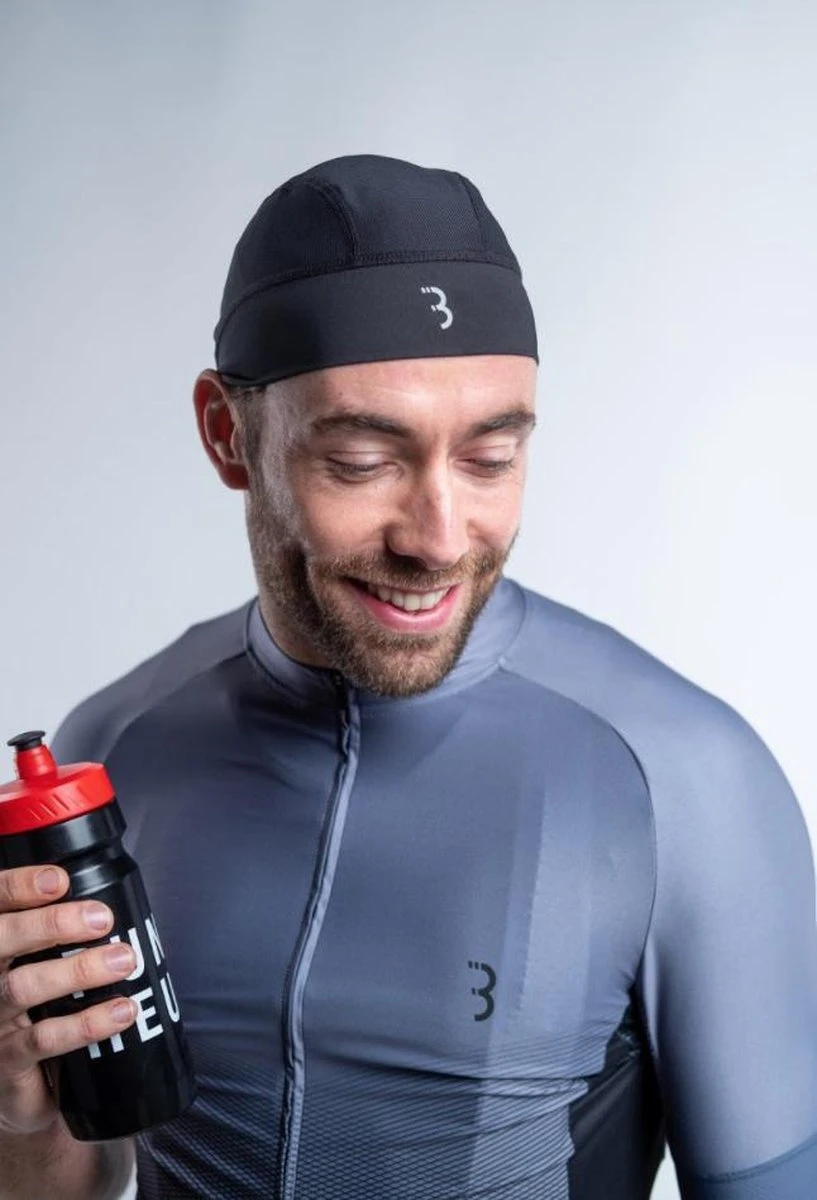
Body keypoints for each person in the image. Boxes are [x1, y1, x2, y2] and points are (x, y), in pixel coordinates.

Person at [1, 154, 815, 1200]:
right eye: (363, 461)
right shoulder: (116, 748)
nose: (437, 539)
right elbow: (67, 1177)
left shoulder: (683, 780)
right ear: (227, 434)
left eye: (489, 457)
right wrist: (18, 1112)